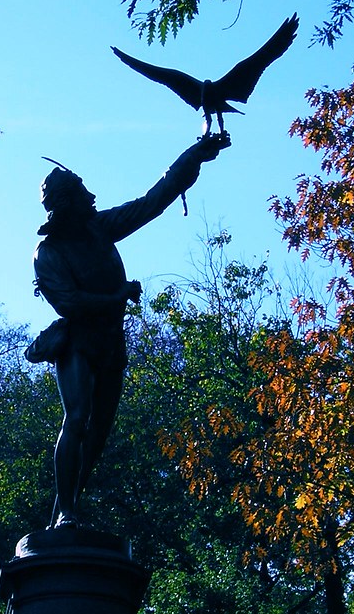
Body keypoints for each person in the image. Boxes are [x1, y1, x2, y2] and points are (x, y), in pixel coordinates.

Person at [31, 132, 231, 527]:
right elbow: (68, 303)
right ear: (65, 204)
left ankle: (63, 513)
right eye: (82, 192)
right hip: (78, 343)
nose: (92, 197)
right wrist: (118, 295)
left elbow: (151, 203)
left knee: (99, 435)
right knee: (77, 418)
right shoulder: (49, 253)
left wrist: (194, 156)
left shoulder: (98, 228)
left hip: (111, 343)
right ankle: (66, 512)